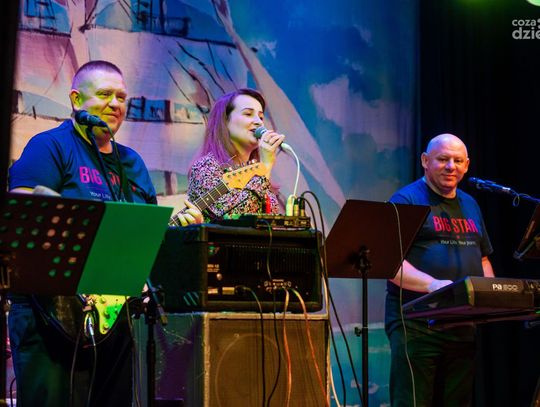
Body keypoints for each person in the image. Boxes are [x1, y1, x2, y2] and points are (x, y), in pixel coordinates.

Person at [8, 60, 201, 406]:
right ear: (76, 99)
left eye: (122, 97)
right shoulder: (50, 146)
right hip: (50, 313)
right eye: (104, 94)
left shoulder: (133, 164)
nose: (115, 104)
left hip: (116, 320)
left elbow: (145, 240)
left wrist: (178, 232)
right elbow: (24, 208)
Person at [385, 133, 495, 407]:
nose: (450, 167)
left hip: (462, 324)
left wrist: (491, 294)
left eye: (457, 161)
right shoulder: (406, 200)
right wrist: (433, 285)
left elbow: (482, 258)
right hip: (418, 325)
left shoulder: (470, 204)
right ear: (425, 161)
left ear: (467, 165)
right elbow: (390, 262)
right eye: (443, 159)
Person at [187, 88, 285, 220]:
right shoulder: (205, 168)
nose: (259, 122)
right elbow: (236, 218)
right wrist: (265, 166)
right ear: (225, 121)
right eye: (248, 114)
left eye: (261, 117)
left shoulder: (257, 172)